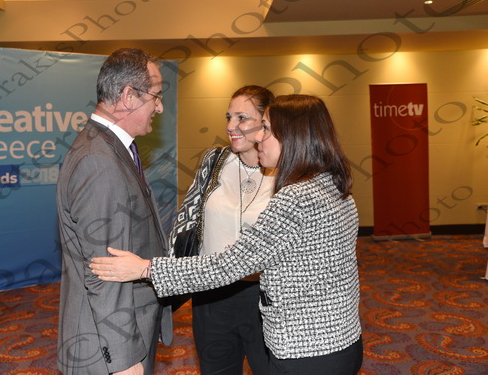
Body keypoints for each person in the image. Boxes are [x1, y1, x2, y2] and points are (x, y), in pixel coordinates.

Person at [91, 94, 364, 374]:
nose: (259, 137)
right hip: (340, 340)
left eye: (266, 129)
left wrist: (145, 268)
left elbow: (229, 265)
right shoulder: (333, 185)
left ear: (293, 137)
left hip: (305, 351)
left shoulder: (295, 198)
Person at [56, 48, 173, 375]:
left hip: (121, 329)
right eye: (156, 96)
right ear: (129, 96)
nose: (160, 107)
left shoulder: (109, 148)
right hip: (107, 348)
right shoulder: (99, 161)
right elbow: (105, 272)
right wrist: (124, 361)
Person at [169, 85, 274, 374]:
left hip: (264, 295)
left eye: (242, 118)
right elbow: (186, 221)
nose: (230, 126)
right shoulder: (214, 160)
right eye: (229, 117)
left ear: (266, 121)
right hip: (211, 293)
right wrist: (171, 280)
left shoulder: (285, 169)